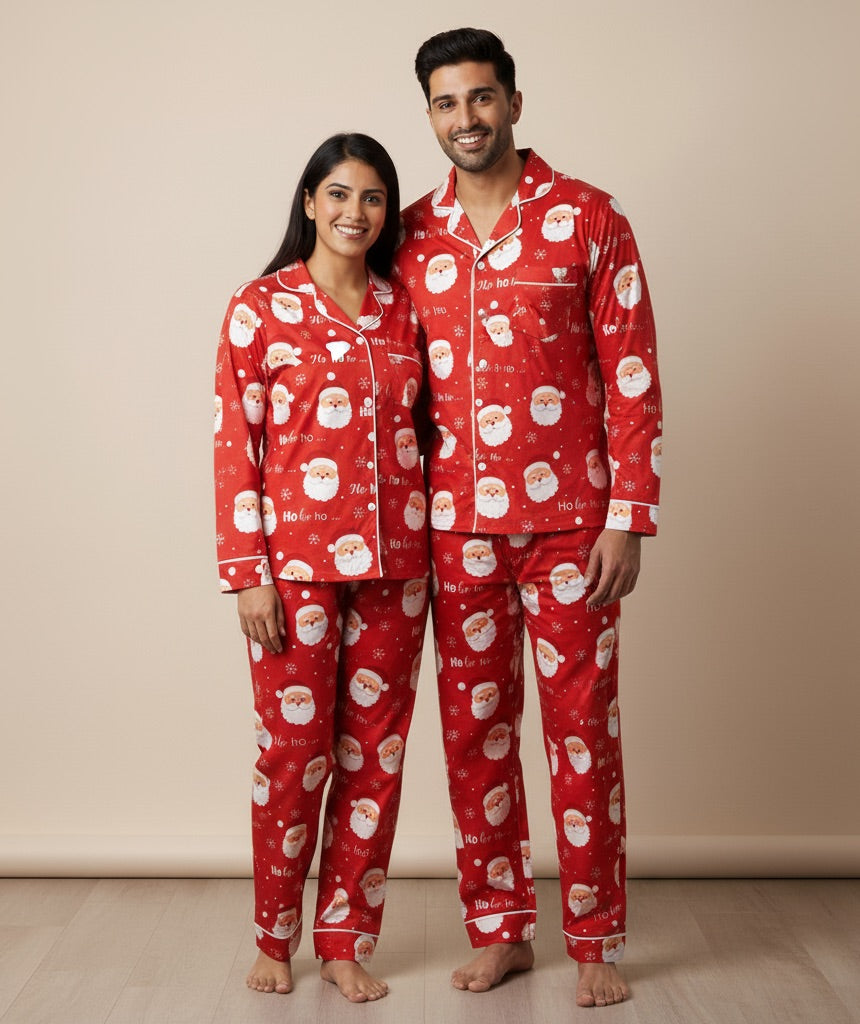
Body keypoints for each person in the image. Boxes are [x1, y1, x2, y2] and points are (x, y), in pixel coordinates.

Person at [395, 28, 662, 1009]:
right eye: (442, 103)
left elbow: (629, 372)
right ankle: (501, 928)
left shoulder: (590, 219)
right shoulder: (410, 236)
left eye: (478, 98)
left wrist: (626, 515)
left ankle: (593, 935)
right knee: (474, 735)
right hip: (453, 530)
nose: (463, 118)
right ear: (426, 115)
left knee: (580, 730)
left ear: (512, 99)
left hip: (569, 530)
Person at [214, 133, 429, 1003]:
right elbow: (237, 446)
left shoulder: (404, 309)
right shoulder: (258, 308)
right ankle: (276, 935)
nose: (355, 213)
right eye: (338, 194)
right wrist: (247, 571)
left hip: (397, 566)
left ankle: (344, 939)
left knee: (374, 756)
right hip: (293, 570)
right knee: (294, 753)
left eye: (374, 198)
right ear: (309, 202)